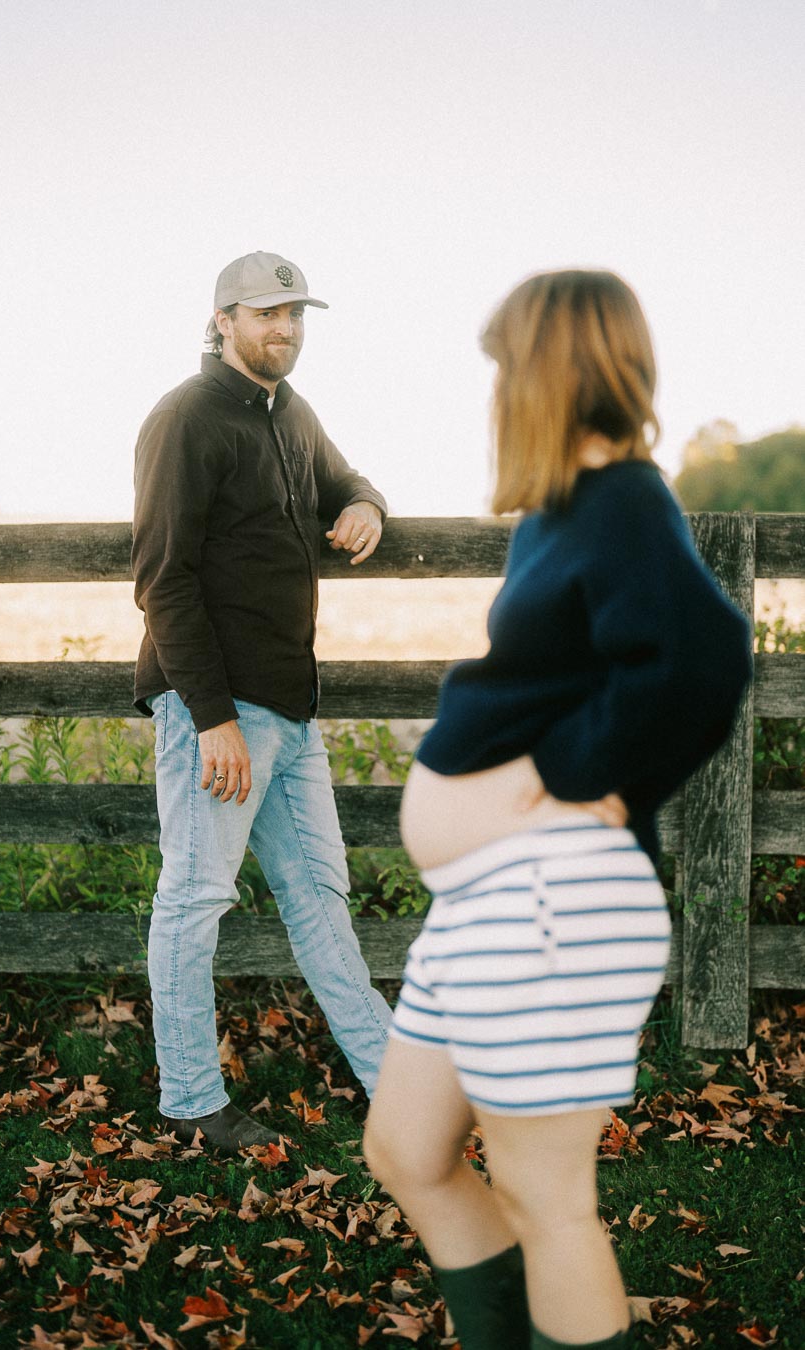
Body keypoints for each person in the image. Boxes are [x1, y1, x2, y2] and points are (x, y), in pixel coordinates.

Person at [363, 270, 752, 1350]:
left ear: (551, 372)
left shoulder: (624, 498)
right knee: (408, 1149)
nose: (495, 391)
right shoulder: (561, 514)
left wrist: (576, 772)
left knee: (547, 1199)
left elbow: (702, 658)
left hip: (551, 895)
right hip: (490, 897)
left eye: (504, 368)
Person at [131, 250, 392, 1152]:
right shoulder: (185, 419)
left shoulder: (292, 414)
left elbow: (347, 480)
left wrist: (366, 505)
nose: (285, 329)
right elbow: (164, 582)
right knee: (195, 897)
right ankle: (192, 1102)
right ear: (223, 322)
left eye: (295, 315)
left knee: (322, 895)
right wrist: (212, 721)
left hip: (290, 711)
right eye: (266, 314)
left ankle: (394, 1090)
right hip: (217, 712)